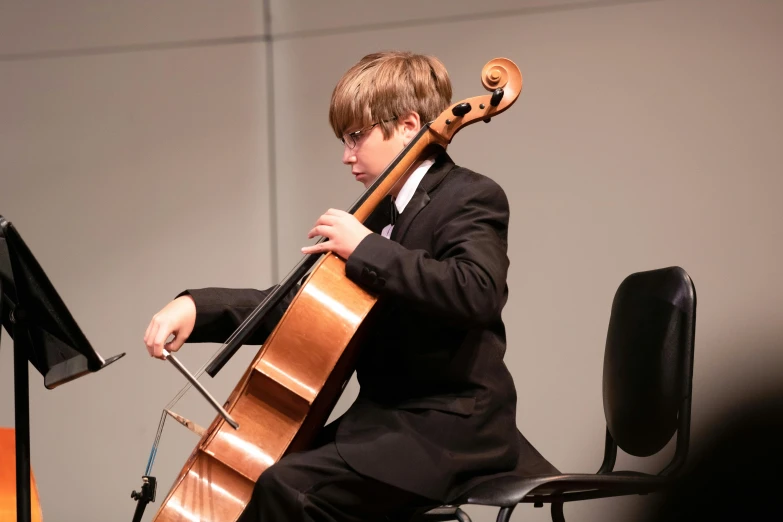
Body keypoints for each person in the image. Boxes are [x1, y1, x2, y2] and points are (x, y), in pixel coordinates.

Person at [144, 51, 553, 521]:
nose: (346, 155)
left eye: (356, 137)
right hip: (384, 421)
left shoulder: (469, 195)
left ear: (407, 124)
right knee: (256, 472)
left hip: (452, 425)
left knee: (291, 490)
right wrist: (196, 308)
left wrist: (366, 249)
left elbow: (476, 291)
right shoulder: (378, 216)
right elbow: (305, 308)